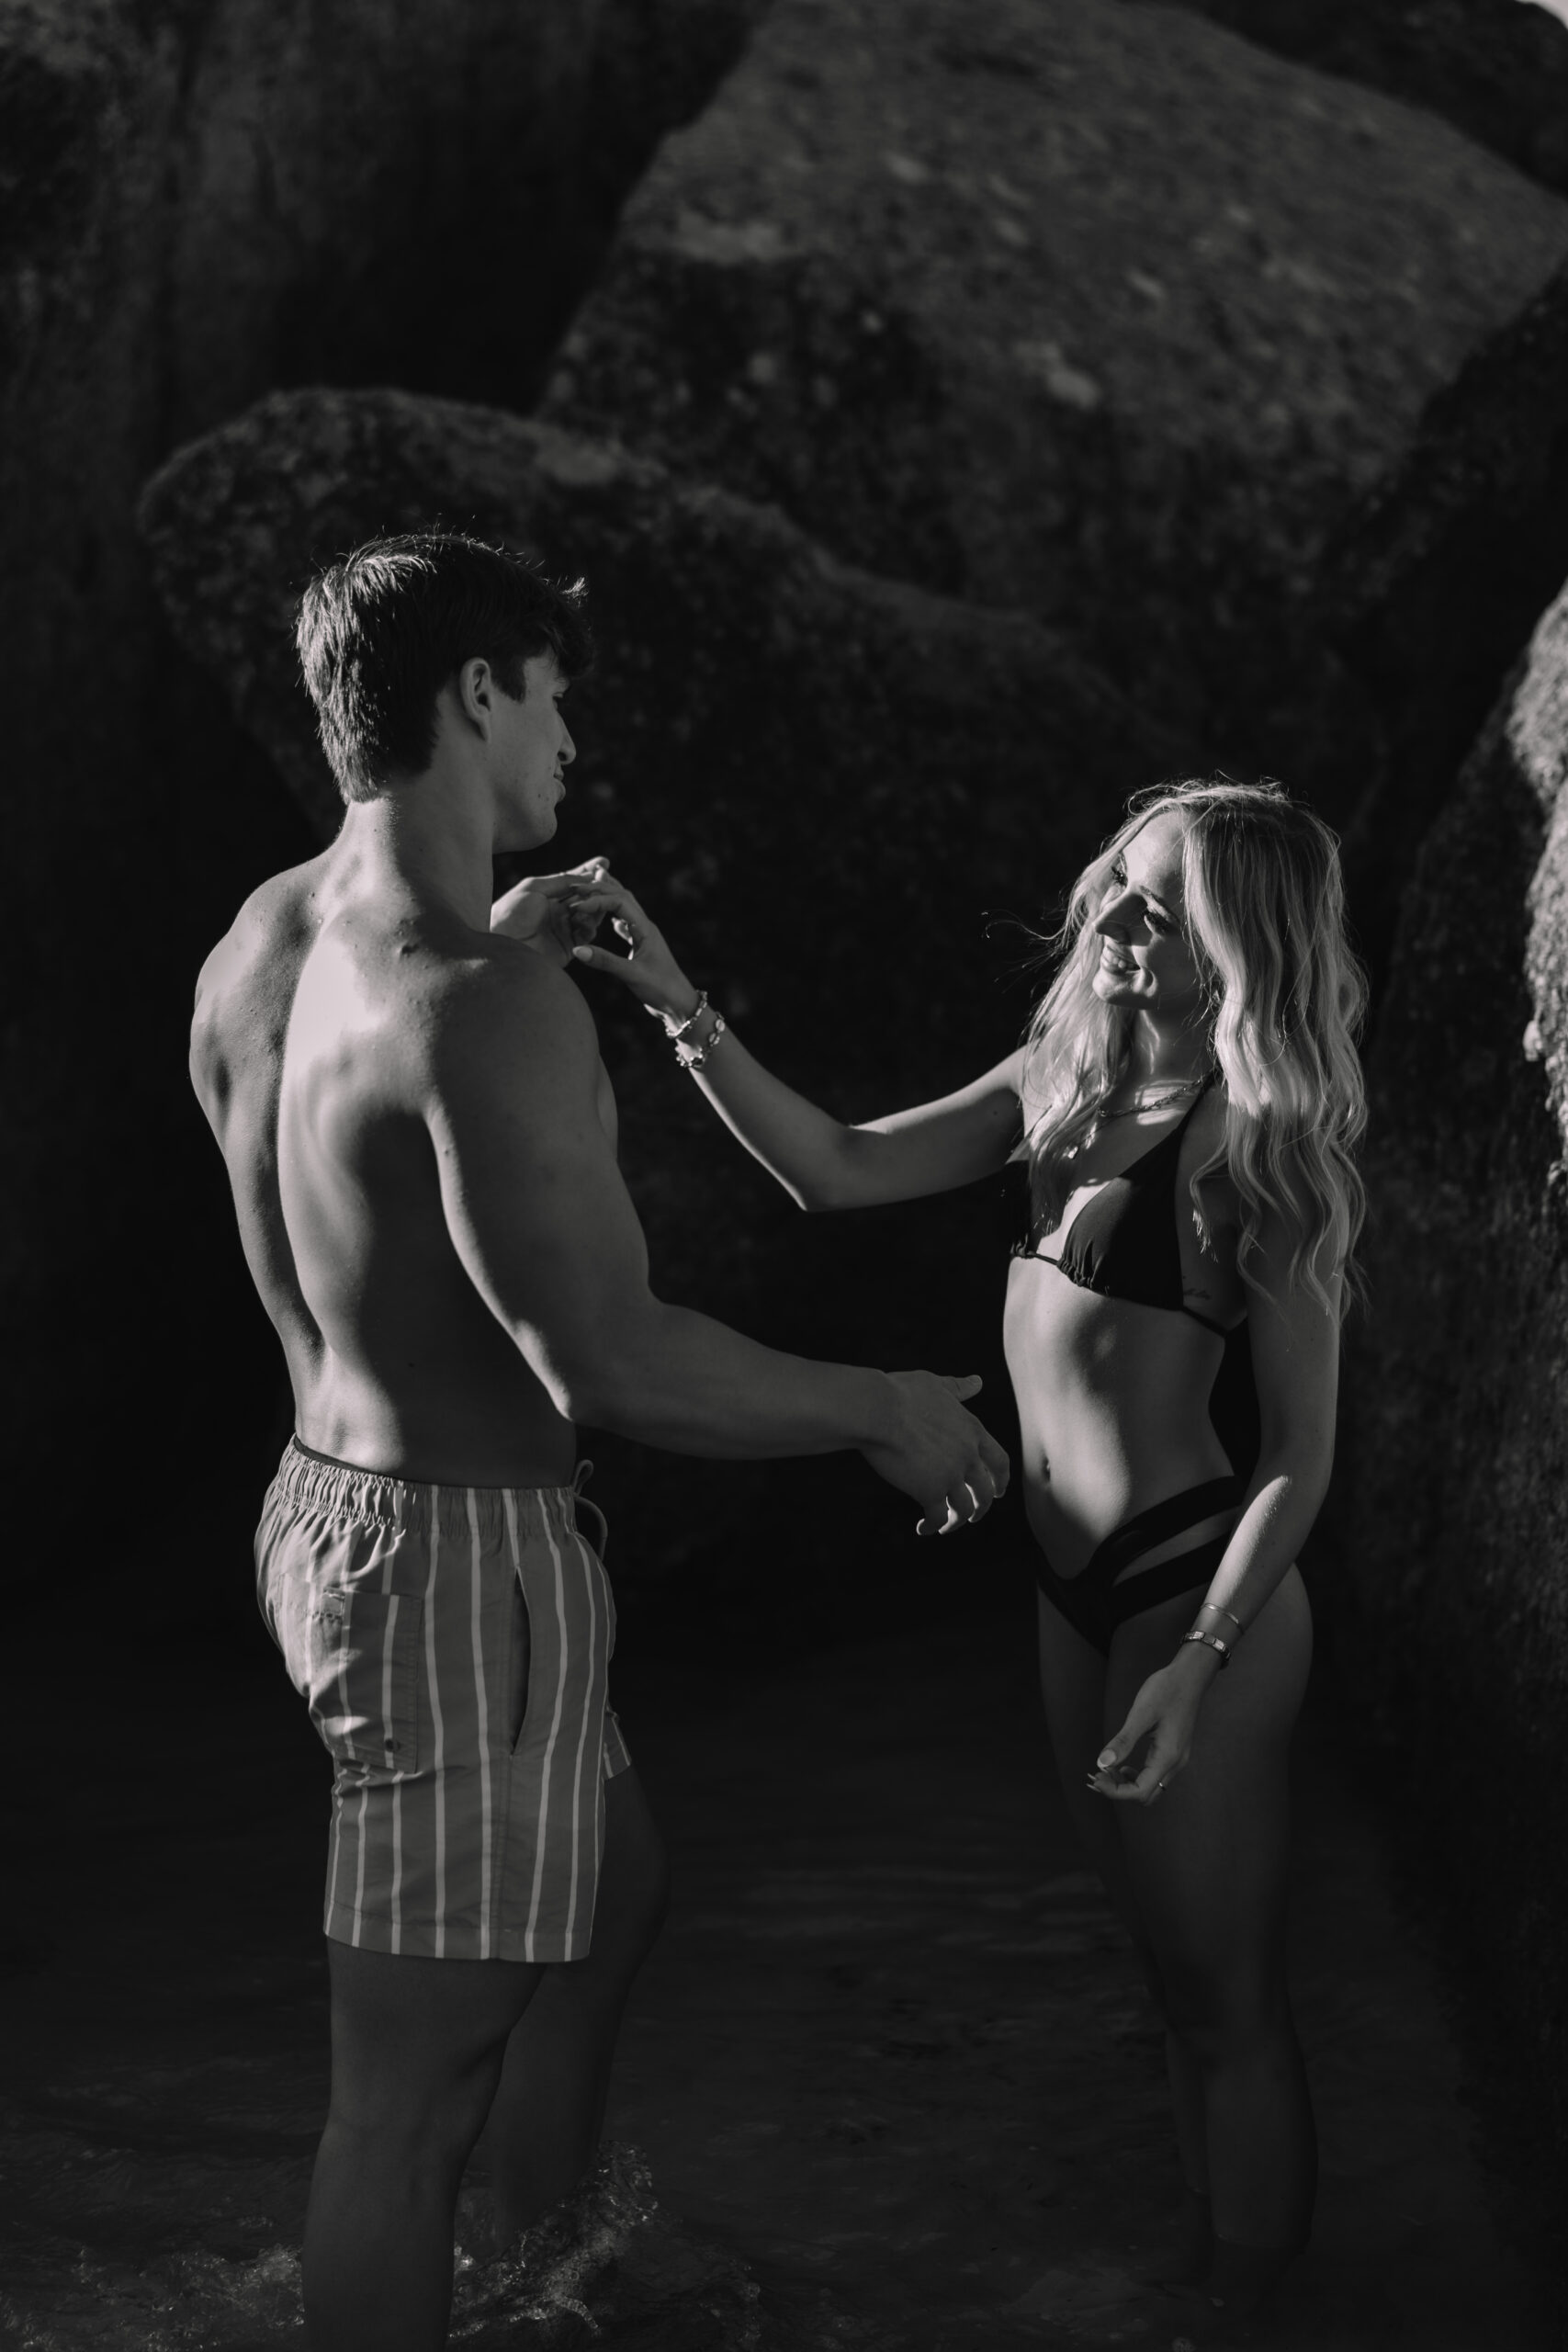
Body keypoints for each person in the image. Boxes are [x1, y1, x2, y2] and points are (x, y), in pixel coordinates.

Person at [186, 530, 1009, 2352]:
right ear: (476, 693)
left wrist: (489, 961)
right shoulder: (486, 1008)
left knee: (611, 1879)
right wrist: (873, 1403)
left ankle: (536, 2271)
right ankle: (442, 2268)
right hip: (454, 1563)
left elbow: (346, 1199)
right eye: (554, 697)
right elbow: (611, 1360)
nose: (570, 742)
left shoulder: (262, 943)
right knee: (398, 2104)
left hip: (328, 1504)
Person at [564, 779, 1365, 2343]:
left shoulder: (1257, 1147)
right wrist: (678, 1006)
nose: (1120, 920)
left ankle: (1250, 2309)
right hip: (1071, 1601)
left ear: (1242, 945)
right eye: (1119, 889)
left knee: (1230, 2001)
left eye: (1164, 904)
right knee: (1165, 1987)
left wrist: (1201, 1663)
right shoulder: (1062, 1078)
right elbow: (836, 1169)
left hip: (1195, 1597)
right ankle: (1212, 2291)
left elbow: (1301, 1455)